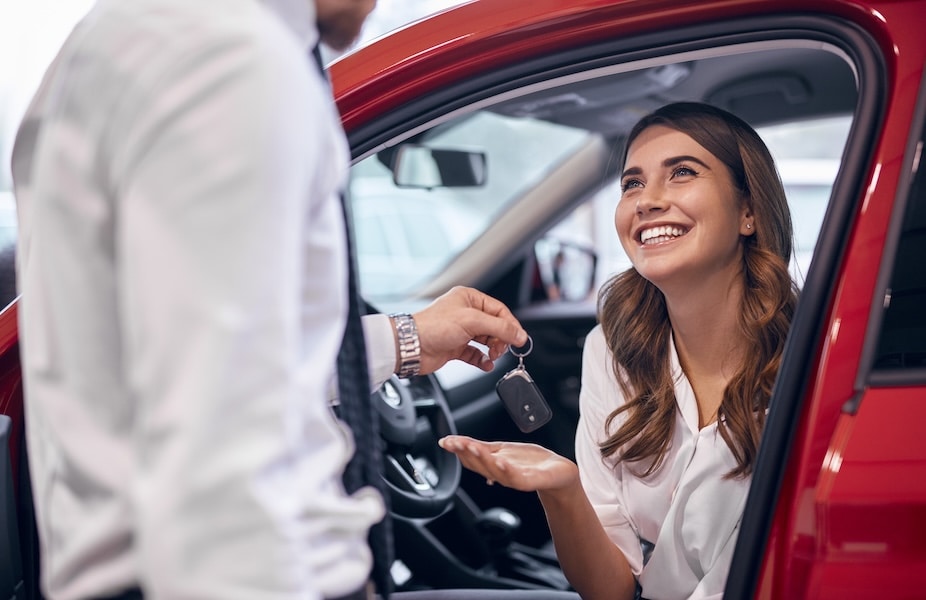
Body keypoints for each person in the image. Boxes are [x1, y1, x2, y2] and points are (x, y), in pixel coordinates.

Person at [10, 1, 570, 599]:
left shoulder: (129, 39)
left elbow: (235, 367)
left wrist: (405, 340)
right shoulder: (232, 60)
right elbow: (223, 453)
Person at [440, 102, 799, 600]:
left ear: (749, 211)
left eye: (682, 173)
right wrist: (563, 489)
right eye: (632, 183)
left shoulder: (812, 359)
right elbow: (611, 591)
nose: (646, 201)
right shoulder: (611, 350)